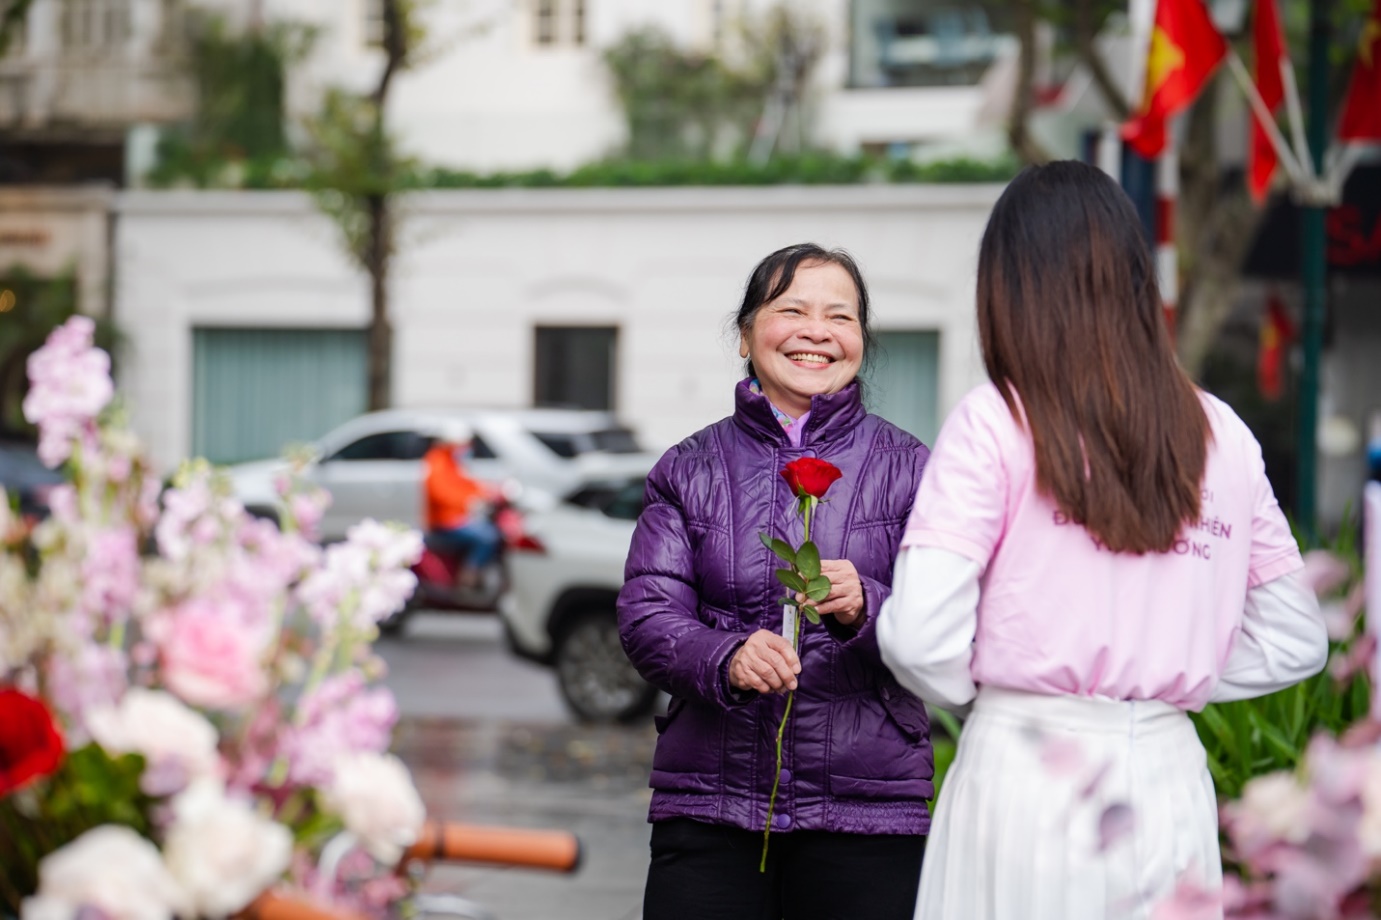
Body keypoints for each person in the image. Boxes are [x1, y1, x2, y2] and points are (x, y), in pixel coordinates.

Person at [877, 160, 1329, 920]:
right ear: (1131, 279)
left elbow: (922, 640)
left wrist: (991, 685)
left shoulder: (996, 421)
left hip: (1027, 768)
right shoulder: (1222, 433)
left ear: (1010, 286)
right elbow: (1295, 638)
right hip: (1167, 779)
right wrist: (1165, 676)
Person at [618, 243, 933, 920]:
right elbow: (648, 616)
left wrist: (867, 607)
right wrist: (727, 655)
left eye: (838, 316)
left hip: (867, 810)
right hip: (711, 806)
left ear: (860, 340)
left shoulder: (913, 469)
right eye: (791, 309)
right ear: (744, 334)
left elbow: (949, 622)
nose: (816, 331)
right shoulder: (689, 467)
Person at [422, 419, 500, 588]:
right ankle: (468, 576)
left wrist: (490, 491)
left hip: (458, 518)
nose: (466, 449)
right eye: (463, 444)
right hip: (445, 522)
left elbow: (468, 483)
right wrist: (469, 500)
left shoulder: (452, 462)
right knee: (487, 536)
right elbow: (439, 492)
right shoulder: (436, 462)